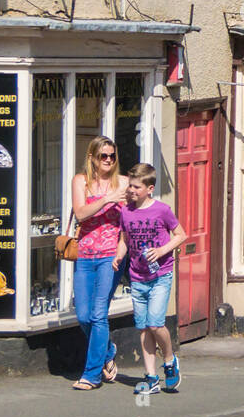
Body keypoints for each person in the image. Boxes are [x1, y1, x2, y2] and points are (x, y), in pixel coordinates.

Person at [116, 163, 187, 395]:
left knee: (156, 323)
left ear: (150, 188)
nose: (132, 190)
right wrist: (118, 257)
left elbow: (181, 235)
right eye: (130, 186)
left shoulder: (162, 210)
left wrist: (162, 250)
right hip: (137, 277)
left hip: (160, 275)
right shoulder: (126, 211)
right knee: (144, 329)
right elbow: (125, 240)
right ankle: (152, 378)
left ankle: (169, 359)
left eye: (136, 187)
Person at [69, 137, 128, 390]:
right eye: (103, 156)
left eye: (112, 156)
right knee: (83, 315)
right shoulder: (80, 181)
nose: (108, 160)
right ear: (92, 157)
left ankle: (91, 375)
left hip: (110, 257)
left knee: (98, 314)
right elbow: (81, 213)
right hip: (84, 255)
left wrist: (120, 252)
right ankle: (107, 351)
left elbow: (129, 222)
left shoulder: (124, 183)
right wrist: (107, 199)